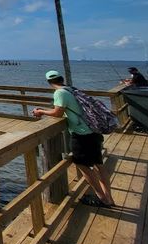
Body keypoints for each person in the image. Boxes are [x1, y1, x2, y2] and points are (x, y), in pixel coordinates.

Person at [32, 70, 116, 208]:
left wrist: (40, 111)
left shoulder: (59, 93)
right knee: (99, 166)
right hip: (93, 131)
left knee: (82, 164)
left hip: (81, 134)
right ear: (61, 79)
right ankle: (109, 198)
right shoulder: (71, 89)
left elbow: (57, 113)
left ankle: (102, 198)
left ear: (49, 82)